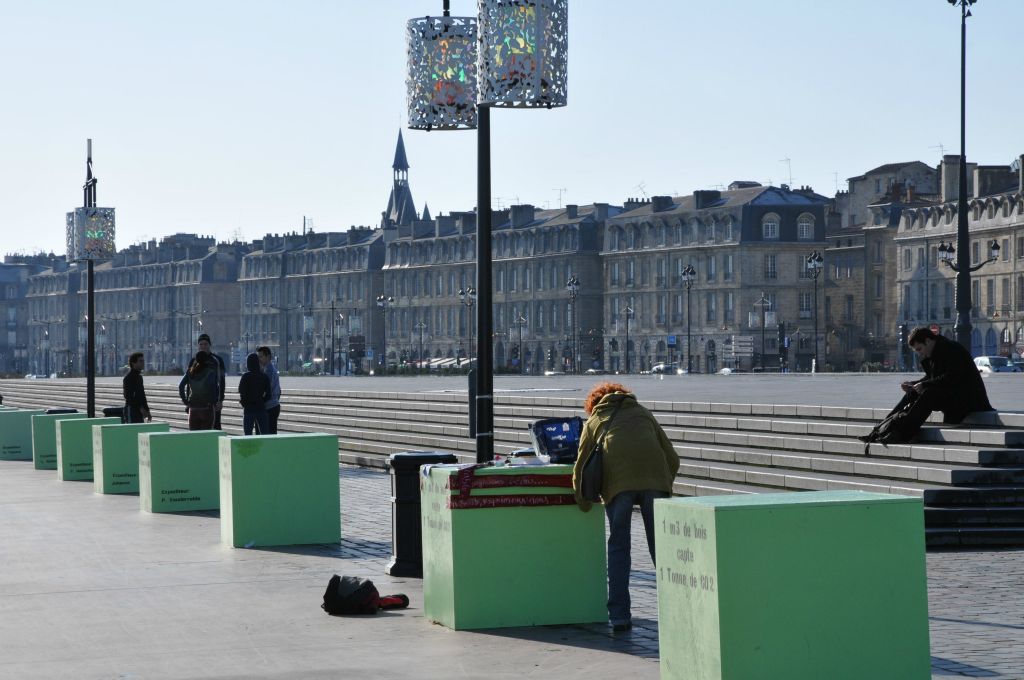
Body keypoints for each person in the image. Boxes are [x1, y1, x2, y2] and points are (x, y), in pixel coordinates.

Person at [572, 382, 680, 633]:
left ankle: (620, 616)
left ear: (594, 403)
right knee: (661, 549)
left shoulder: (596, 419)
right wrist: (663, 484)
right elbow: (672, 457)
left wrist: (583, 501)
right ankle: (675, 610)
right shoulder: (643, 413)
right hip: (655, 482)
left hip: (618, 486)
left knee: (620, 546)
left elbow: (580, 465)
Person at [860, 327, 994, 445]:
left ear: (928, 341)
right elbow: (932, 378)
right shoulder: (934, 353)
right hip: (951, 394)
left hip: (968, 399)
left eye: (920, 349)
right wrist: (914, 384)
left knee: (929, 393)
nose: (920, 353)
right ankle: (879, 430)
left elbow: (952, 377)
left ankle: (903, 434)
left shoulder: (950, 349)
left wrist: (924, 384)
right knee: (913, 392)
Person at [178, 350, 221, 431]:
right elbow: (214, 388)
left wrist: (185, 401)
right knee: (206, 437)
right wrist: (214, 402)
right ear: (207, 360)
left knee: (194, 437)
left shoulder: (190, 371)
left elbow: (181, 386)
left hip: (193, 408)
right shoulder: (210, 372)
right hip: (207, 407)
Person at [196, 333, 227, 430]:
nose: (203, 346)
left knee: (216, 427)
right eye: (201, 344)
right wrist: (188, 402)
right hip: (197, 402)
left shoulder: (217, 360)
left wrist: (220, 400)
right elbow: (189, 382)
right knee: (199, 429)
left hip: (213, 401)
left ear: (210, 345)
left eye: (205, 344)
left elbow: (221, 381)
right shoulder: (194, 361)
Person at [238, 352, 271, 435]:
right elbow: (269, 394)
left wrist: (244, 403)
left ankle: (249, 448)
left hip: (249, 409)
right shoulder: (264, 377)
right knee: (264, 434)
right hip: (261, 408)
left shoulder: (245, 377)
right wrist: (262, 401)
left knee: (248, 434)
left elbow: (242, 392)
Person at [256, 346, 281, 434]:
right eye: (258, 357)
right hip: (273, 405)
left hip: (270, 407)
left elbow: (265, 389)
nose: (259, 359)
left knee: (269, 434)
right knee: (271, 433)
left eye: (261, 356)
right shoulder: (269, 369)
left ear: (268, 357)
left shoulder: (268, 370)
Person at [122, 352, 152, 423]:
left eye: (143, 361)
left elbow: (142, 395)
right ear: (133, 363)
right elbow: (128, 396)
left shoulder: (139, 377)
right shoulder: (128, 378)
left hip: (139, 411)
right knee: (131, 431)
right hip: (131, 410)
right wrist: (141, 409)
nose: (143, 363)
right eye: (140, 361)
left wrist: (147, 411)